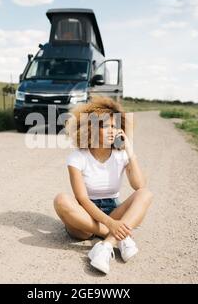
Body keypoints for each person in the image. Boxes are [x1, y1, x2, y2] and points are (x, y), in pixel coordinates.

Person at [53, 96, 153, 274]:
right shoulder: (77, 157)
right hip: (85, 217)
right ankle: (120, 235)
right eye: (105, 126)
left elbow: (139, 185)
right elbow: (82, 199)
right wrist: (112, 225)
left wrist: (130, 151)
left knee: (145, 193)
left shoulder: (121, 155)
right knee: (61, 199)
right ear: (90, 129)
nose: (111, 131)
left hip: (114, 210)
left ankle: (107, 245)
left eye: (115, 127)